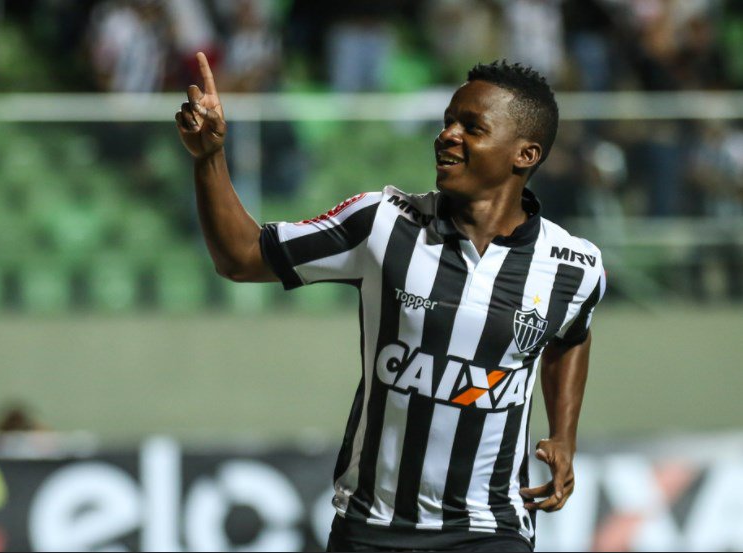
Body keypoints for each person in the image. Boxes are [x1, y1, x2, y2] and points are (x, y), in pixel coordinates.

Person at [176, 53, 606, 552]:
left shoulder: (574, 266)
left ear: (525, 154)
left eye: (472, 127)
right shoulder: (383, 222)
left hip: (491, 528)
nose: (447, 135)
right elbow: (241, 258)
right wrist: (209, 158)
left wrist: (564, 434)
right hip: (372, 528)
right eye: (448, 121)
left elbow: (571, 335)